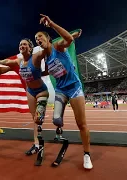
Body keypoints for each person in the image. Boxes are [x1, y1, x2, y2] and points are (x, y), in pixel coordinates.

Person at [33, 14, 93, 169]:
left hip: (74, 88)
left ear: (47, 38)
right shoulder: (45, 58)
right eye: (36, 39)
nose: (38, 40)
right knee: (57, 120)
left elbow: (69, 40)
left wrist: (51, 23)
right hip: (61, 90)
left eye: (40, 37)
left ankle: (86, 154)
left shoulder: (58, 46)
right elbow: (40, 68)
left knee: (81, 124)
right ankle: (59, 127)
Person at [0, 38, 49, 156]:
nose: (22, 46)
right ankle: (37, 144)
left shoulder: (35, 57)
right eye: (20, 44)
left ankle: (40, 142)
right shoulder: (18, 61)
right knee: (35, 119)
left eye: (24, 44)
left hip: (41, 91)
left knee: (38, 118)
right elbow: (7, 61)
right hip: (30, 92)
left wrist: (45, 43)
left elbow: (48, 49)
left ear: (30, 48)